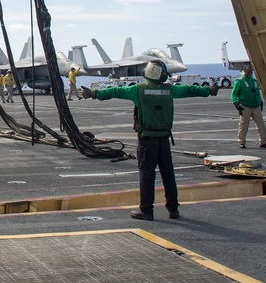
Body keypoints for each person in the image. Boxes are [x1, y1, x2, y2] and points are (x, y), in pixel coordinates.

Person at [81, 59, 220, 220]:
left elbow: (115, 92)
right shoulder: (169, 90)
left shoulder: (138, 90)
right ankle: (173, 209)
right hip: (164, 138)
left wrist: (93, 93)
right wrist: (209, 90)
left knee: (147, 174)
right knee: (168, 174)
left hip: (147, 139)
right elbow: (189, 90)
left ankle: (146, 210)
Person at [231, 65, 266, 149]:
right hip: (245, 105)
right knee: (244, 124)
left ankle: (263, 141)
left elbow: (257, 93)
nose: (249, 73)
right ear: (244, 71)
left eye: (251, 72)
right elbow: (233, 94)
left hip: (255, 105)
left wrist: (260, 102)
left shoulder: (254, 81)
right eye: (248, 72)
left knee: (260, 123)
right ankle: (242, 141)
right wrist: (235, 103)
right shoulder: (239, 82)